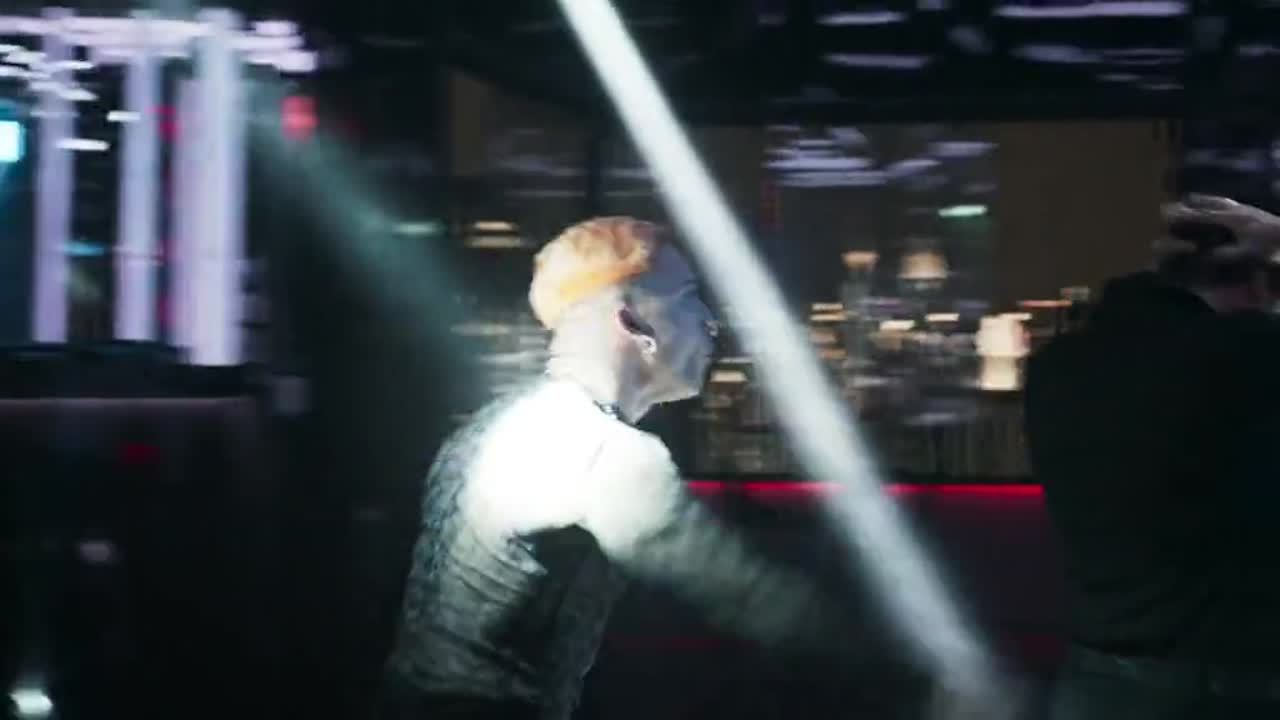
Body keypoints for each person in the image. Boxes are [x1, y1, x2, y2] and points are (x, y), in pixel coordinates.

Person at [376, 217, 913, 720]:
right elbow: (749, 596)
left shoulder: (487, 429)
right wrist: (919, 690)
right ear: (632, 321)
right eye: (688, 298)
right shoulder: (598, 447)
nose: (709, 320)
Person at [1024, 195, 1280, 719]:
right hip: (1222, 693)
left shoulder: (1058, 365)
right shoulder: (1244, 352)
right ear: (1253, 287)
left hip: (1093, 684)